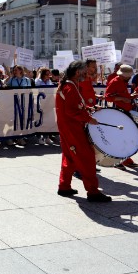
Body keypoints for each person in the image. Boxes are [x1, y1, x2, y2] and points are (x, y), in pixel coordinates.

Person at [55, 61, 111, 202]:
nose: (87, 74)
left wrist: (89, 108)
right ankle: (92, 192)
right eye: (85, 72)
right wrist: (88, 118)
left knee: (69, 157)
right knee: (87, 158)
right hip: (72, 128)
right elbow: (71, 111)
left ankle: (64, 186)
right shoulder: (70, 87)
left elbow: (75, 105)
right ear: (78, 72)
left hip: (68, 128)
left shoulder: (69, 85)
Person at [103, 64, 138, 168]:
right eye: (128, 76)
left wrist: (130, 97)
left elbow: (120, 95)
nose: (129, 78)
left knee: (124, 137)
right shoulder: (115, 82)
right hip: (118, 113)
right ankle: (118, 160)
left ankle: (125, 159)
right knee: (119, 138)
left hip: (123, 112)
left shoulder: (122, 81)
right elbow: (108, 97)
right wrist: (123, 99)